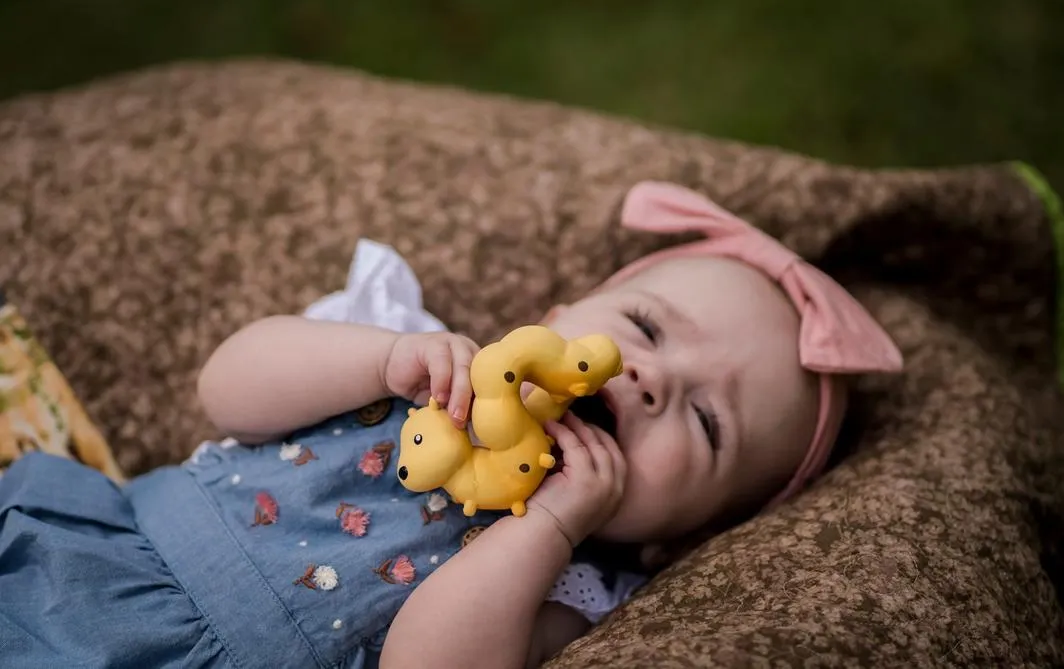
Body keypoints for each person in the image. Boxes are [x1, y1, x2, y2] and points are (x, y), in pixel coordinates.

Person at [0, 181, 902, 669]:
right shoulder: (417, 353)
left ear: (683, 539)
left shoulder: (579, 585)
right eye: (648, 327)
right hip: (98, 561)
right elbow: (224, 389)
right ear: (558, 311)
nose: (656, 380)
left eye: (708, 422)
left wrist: (545, 530)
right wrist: (378, 357)